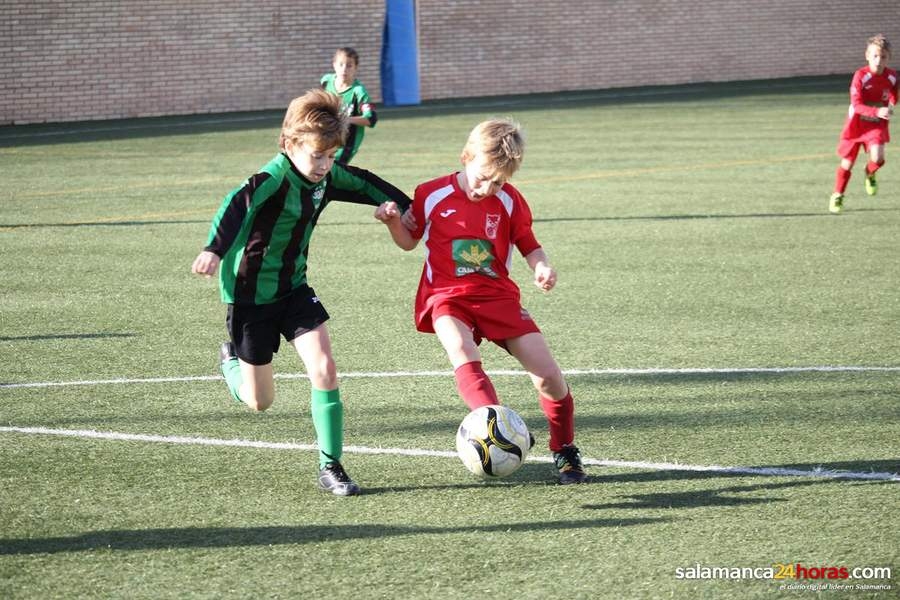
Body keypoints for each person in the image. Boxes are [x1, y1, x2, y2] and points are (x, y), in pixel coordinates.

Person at [191, 88, 411, 496]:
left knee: (325, 368)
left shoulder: (324, 176)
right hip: (249, 297)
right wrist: (213, 250)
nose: (325, 166)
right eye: (317, 156)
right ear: (290, 144)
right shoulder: (270, 179)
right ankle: (231, 364)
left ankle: (331, 467)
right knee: (260, 401)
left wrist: (405, 206)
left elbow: (363, 183)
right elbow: (234, 206)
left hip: (293, 289)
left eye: (331, 156)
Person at [374, 118, 587, 485]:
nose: (487, 188)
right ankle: (497, 424)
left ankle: (565, 449)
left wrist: (541, 266)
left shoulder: (509, 201)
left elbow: (528, 244)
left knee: (549, 376)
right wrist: (393, 222)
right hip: (447, 297)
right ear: (466, 156)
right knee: (460, 349)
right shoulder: (431, 193)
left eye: (499, 182)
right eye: (483, 176)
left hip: (498, 297)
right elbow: (410, 241)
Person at [830, 34, 897, 214]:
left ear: (888, 58)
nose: (879, 60)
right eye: (875, 56)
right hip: (856, 124)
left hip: (876, 125)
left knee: (878, 158)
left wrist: (891, 104)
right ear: (867, 55)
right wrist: (877, 111)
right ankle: (838, 195)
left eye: (883, 56)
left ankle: (870, 172)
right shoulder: (860, 76)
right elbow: (857, 105)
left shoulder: (892, 76)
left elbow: (894, 92)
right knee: (847, 163)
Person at [320, 47, 377, 165]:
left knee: (332, 171)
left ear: (356, 68)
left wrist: (346, 119)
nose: (344, 69)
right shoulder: (326, 81)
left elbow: (371, 119)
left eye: (349, 65)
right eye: (340, 64)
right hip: (326, 136)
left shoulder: (359, 92)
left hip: (345, 144)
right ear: (334, 65)